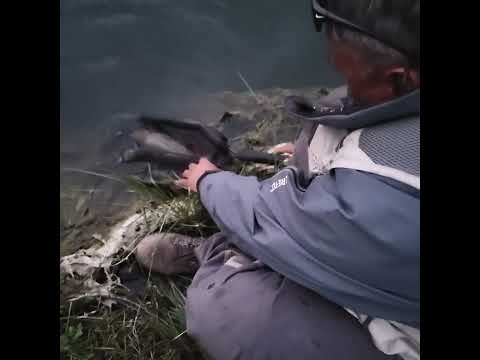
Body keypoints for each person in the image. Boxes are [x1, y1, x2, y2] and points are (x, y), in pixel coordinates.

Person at [135, 0, 420, 359]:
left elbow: (267, 218)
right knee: (336, 118)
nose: (345, 84)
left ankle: (217, 255)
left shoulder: (381, 197)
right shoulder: (405, 99)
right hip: (394, 266)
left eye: (350, 74)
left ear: (401, 77)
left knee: (227, 311)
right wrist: (311, 155)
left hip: (405, 325)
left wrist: (208, 181)